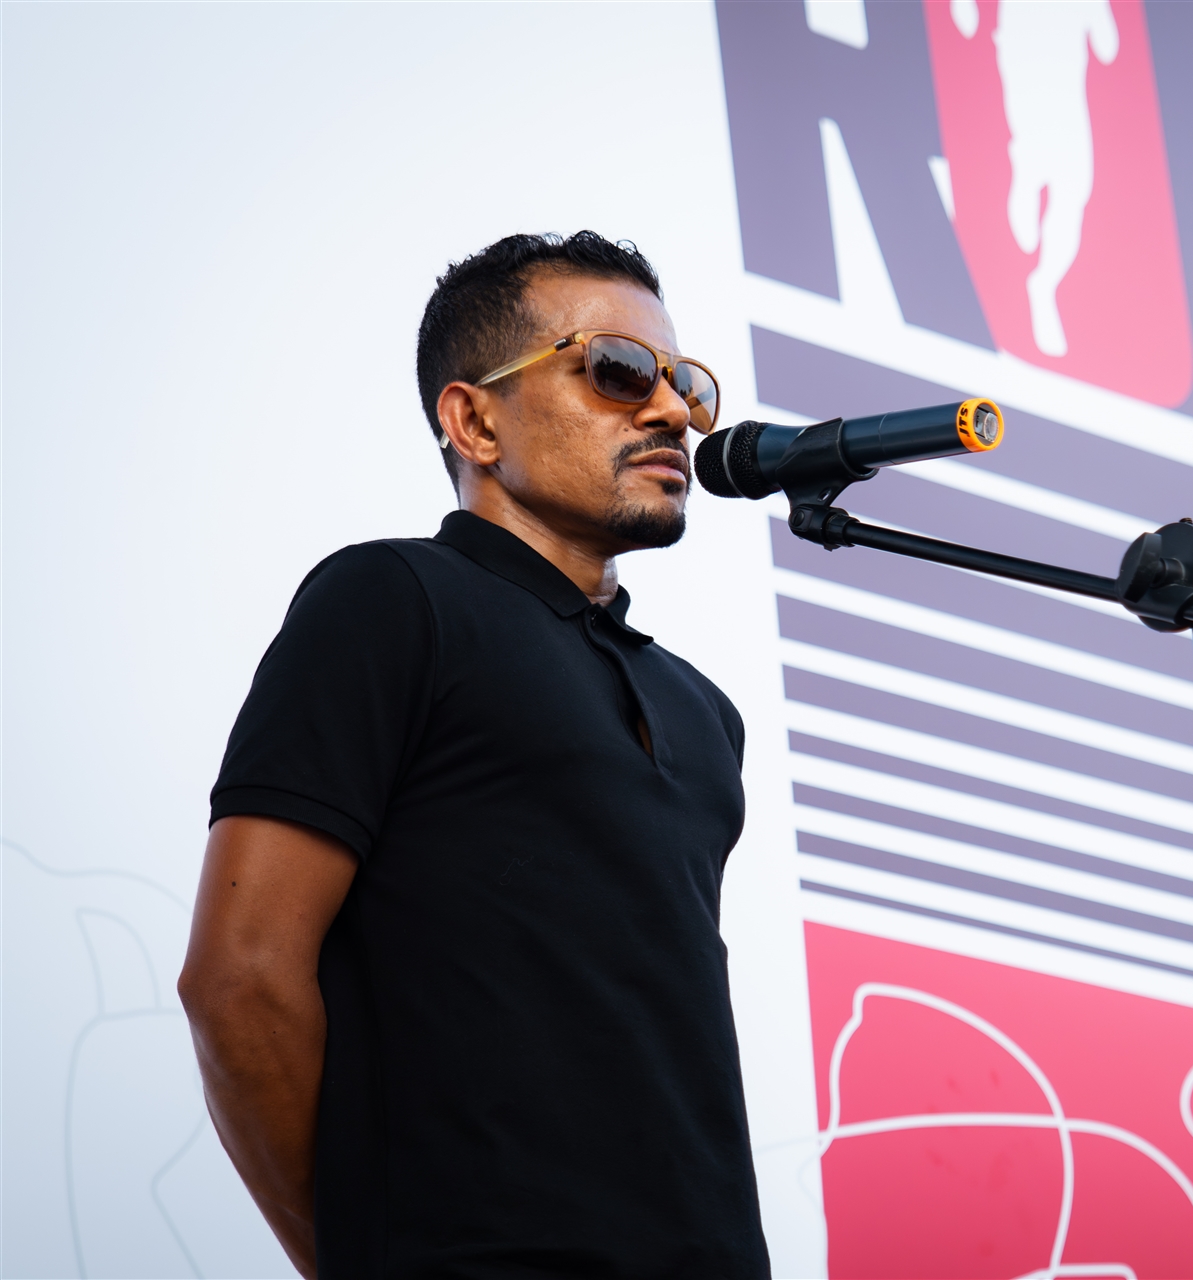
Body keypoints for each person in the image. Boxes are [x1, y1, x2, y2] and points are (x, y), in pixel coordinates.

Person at [176, 232, 769, 1279]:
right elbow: (240, 977)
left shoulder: (704, 712)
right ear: (475, 421)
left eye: (686, 384)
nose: (672, 411)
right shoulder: (390, 601)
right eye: (618, 370)